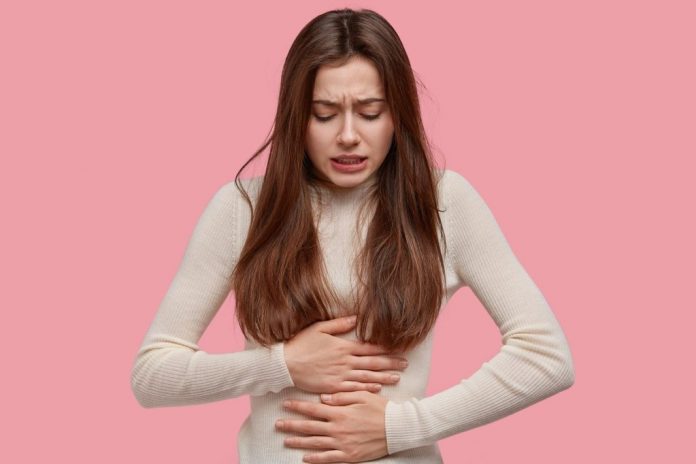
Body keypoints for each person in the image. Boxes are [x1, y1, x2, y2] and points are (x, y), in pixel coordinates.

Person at [130, 7, 575, 464]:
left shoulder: (444, 203)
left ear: (397, 114)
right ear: (296, 119)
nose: (348, 135)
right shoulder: (242, 208)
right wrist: (281, 365)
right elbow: (152, 375)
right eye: (324, 115)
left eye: (369, 112)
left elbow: (546, 358)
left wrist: (397, 428)